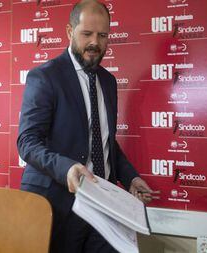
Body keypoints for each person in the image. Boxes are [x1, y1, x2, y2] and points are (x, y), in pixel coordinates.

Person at [17, 0, 155, 252]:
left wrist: (130, 177)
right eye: (87, 34)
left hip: (103, 207)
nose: (95, 42)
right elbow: (27, 142)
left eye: (103, 35)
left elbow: (103, 139)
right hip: (55, 205)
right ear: (70, 31)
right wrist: (67, 168)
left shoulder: (108, 81)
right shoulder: (45, 77)